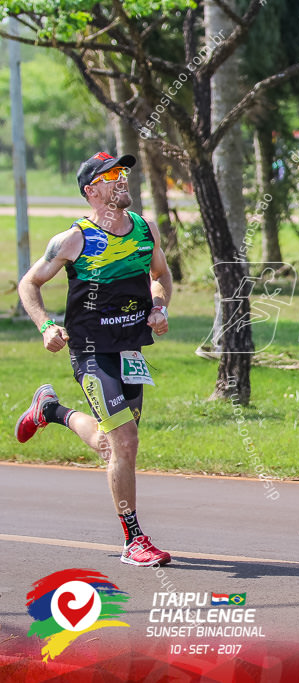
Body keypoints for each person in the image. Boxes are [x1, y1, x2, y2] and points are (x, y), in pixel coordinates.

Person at [16, 151, 173, 567]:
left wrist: (160, 307)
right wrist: (47, 325)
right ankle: (134, 540)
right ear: (92, 191)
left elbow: (161, 276)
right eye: (112, 176)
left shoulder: (144, 230)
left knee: (113, 443)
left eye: (124, 173)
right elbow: (29, 284)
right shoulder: (75, 239)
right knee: (125, 441)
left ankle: (51, 411)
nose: (123, 180)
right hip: (90, 354)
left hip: (130, 352)